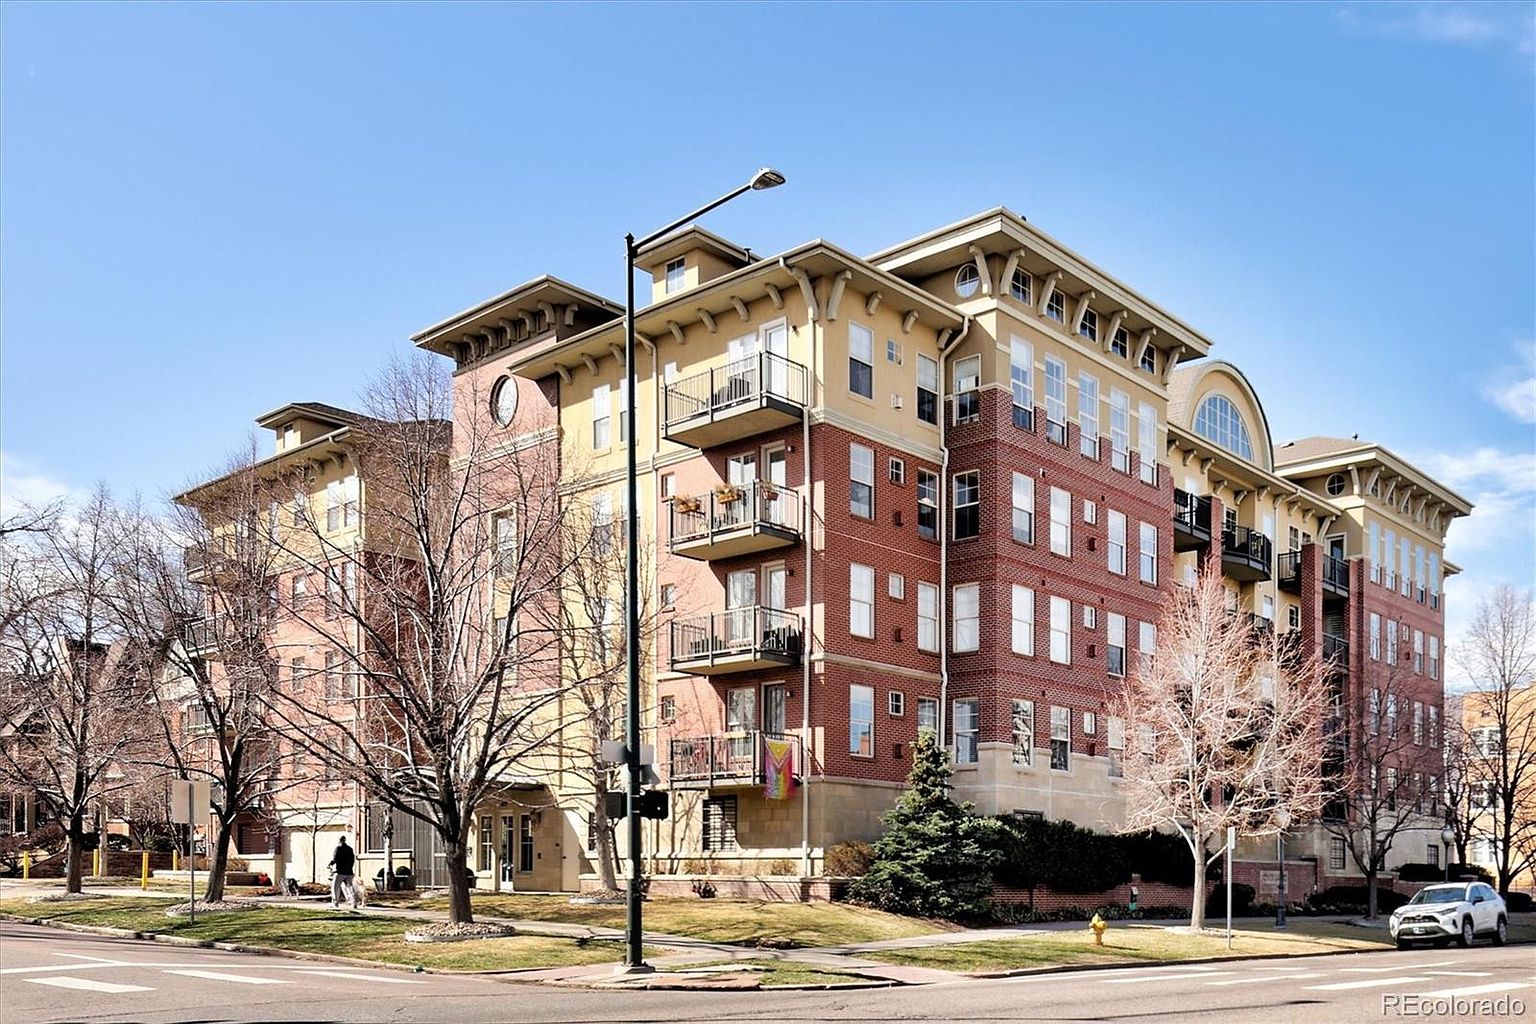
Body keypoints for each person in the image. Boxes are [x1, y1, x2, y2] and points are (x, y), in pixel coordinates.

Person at [328, 836, 360, 910]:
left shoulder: (338, 848)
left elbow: (335, 859)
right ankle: (354, 903)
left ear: (339, 841)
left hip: (340, 872)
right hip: (349, 872)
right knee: (350, 887)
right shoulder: (350, 849)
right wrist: (350, 867)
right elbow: (352, 859)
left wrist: (330, 864)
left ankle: (335, 903)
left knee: (335, 887)